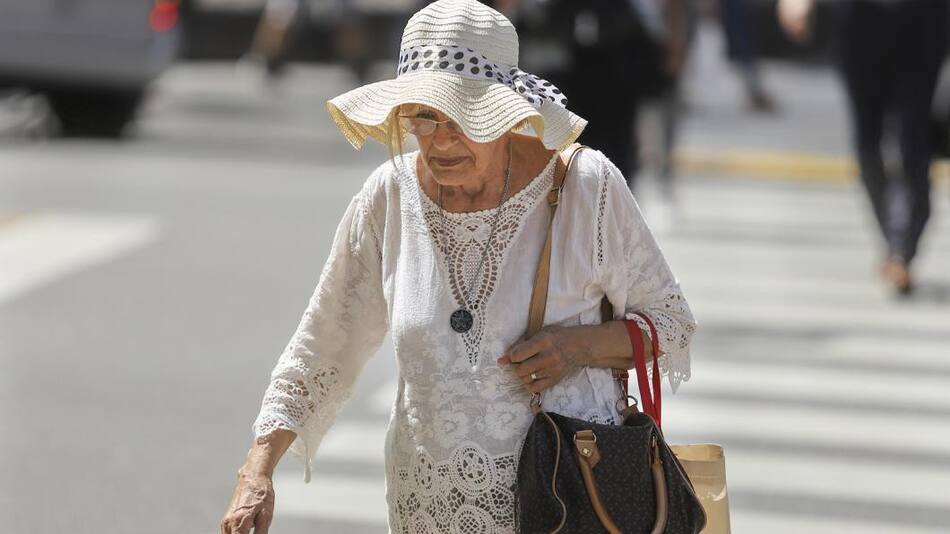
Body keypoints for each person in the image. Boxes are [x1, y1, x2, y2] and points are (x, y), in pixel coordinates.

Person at [220, 1, 696, 533]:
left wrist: (577, 348)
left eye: (463, 119)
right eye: (424, 117)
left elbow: (672, 324)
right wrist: (256, 471)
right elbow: (324, 342)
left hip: (567, 501)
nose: (440, 140)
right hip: (427, 509)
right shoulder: (390, 195)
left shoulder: (587, 187)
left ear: (509, 114)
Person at [779, 0, 949, 294]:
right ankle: (894, 239)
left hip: (923, 16)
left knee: (913, 135)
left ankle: (902, 248)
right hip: (859, 16)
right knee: (867, 138)